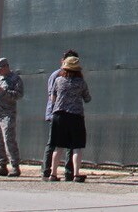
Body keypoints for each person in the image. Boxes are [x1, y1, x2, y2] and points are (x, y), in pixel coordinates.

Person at [46, 54, 91, 183]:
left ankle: (53, 174)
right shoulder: (81, 83)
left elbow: (52, 98)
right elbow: (87, 98)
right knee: (76, 147)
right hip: (75, 116)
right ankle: (76, 174)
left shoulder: (58, 80)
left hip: (59, 115)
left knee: (58, 146)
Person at [43, 49, 79, 180]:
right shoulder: (57, 75)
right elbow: (52, 96)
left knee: (71, 144)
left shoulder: (76, 78)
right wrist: (53, 113)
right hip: (57, 113)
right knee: (53, 143)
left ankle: (68, 172)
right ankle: (47, 171)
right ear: (62, 61)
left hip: (69, 114)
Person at [0, 57, 24, 177]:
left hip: (7, 113)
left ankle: (15, 166)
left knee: (9, 139)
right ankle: (2, 165)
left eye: (0, 69)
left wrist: (4, 92)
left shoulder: (15, 79)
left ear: (6, 67)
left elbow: (18, 95)